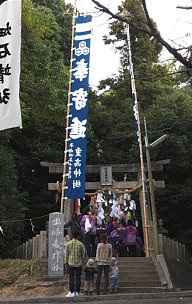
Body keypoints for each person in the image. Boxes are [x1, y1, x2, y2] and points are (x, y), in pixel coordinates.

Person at [64, 230, 85, 297]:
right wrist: (82, 262)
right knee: (78, 278)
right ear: (78, 236)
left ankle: (71, 292)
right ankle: (78, 292)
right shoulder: (81, 244)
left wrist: (66, 262)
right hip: (79, 263)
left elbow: (66, 254)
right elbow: (83, 255)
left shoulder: (68, 243)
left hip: (70, 263)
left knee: (71, 278)